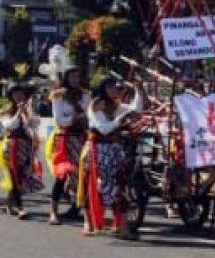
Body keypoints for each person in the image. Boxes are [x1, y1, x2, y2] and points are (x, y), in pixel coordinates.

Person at [81, 74, 144, 237]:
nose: (113, 89)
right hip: (97, 151)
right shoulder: (95, 105)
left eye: (114, 87)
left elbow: (136, 110)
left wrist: (139, 90)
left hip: (114, 151)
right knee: (95, 187)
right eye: (109, 87)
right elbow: (103, 128)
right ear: (103, 90)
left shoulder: (116, 105)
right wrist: (120, 119)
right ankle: (88, 223)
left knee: (120, 186)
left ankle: (122, 227)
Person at [47, 63, 88, 225]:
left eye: (77, 76)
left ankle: (76, 208)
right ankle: (53, 211)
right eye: (71, 76)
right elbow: (58, 119)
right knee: (62, 175)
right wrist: (74, 119)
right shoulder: (58, 95)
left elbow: (88, 115)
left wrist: (84, 119)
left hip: (81, 138)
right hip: (65, 138)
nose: (75, 79)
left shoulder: (85, 95)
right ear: (65, 78)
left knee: (82, 175)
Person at [1, 82, 42, 218]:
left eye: (21, 93)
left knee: (23, 176)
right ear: (11, 96)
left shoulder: (29, 109)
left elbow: (35, 124)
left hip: (26, 146)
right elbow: (10, 126)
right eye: (15, 93)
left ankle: (8, 203)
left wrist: (27, 113)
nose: (19, 96)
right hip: (12, 146)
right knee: (15, 176)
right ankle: (20, 207)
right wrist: (18, 112)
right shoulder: (6, 111)